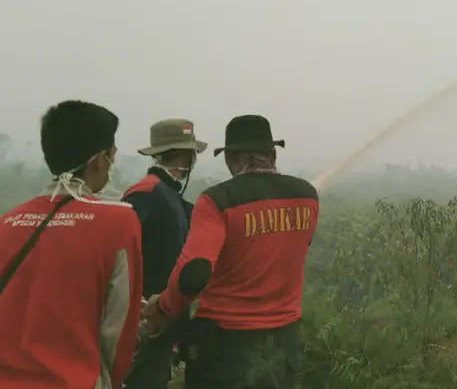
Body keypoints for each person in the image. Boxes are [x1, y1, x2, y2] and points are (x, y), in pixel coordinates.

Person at [142, 114, 319, 389]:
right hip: (283, 346)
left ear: (229, 159)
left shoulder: (217, 200)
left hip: (225, 347)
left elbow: (195, 272)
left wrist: (164, 308)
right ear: (272, 153)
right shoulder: (307, 196)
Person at [0, 100, 143, 388]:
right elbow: (118, 329)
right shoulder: (118, 222)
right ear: (99, 160)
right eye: (112, 156)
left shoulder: (7, 222)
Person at [122, 119, 207, 389]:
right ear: (187, 156)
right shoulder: (145, 194)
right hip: (146, 319)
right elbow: (121, 253)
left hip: (165, 317)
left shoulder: (169, 196)